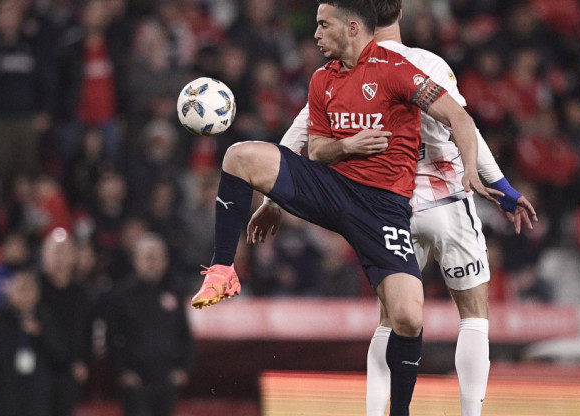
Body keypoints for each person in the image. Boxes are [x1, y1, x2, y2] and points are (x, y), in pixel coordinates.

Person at [190, 1, 503, 414]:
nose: (315, 35)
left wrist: (472, 172)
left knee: (408, 317)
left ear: (352, 28)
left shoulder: (396, 70)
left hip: (383, 208)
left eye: (323, 26)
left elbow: (459, 118)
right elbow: (317, 149)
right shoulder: (322, 79)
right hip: (333, 187)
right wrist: (329, 161)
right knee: (238, 156)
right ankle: (222, 271)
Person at [106, 233, 192, 416]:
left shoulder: (174, 292)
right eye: (147, 257)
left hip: (167, 377)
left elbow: (185, 334)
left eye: (156, 257)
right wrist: (122, 372)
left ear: (165, 261)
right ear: (136, 260)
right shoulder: (121, 295)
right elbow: (111, 337)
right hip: (136, 379)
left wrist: (184, 369)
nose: (152, 263)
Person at [0, 270, 66, 416]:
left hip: (37, 397)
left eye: (29, 289)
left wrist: (40, 334)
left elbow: (60, 355)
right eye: (20, 289)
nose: (25, 294)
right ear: (10, 293)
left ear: (37, 295)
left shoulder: (46, 319)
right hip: (6, 396)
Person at [38, 228, 92, 416]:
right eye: (55, 252)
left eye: (65, 252)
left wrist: (84, 361)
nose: (60, 258)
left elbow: (87, 331)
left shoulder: (81, 293)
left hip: (70, 370)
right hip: (37, 370)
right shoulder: (34, 289)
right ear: (44, 256)